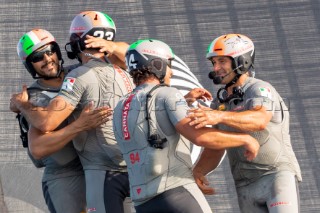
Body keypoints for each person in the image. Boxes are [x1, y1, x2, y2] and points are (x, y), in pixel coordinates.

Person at [112, 39, 260, 213]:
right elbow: (200, 136)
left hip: (142, 201)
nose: (172, 71)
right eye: (169, 64)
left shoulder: (121, 105)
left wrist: (183, 101)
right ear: (157, 64)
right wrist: (245, 139)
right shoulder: (167, 93)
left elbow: (150, 118)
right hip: (176, 193)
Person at [10, 11, 134, 213]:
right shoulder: (34, 97)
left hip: (99, 166)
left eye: (50, 51)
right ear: (29, 65)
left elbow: (130, 56)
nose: (47, 59)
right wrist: (78, 126)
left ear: (58, 50)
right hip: (65, 174)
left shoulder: (78, 71)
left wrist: (111, 46)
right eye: (38, 57)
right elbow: (38, 148)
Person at [188, 33, 302, 212]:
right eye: (214, 62)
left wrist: (219, 116)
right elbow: (216, 146)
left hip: (276, 176)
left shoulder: (260, 88)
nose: (216, 68)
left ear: (242, 60)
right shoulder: (220, 103)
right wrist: (198, 171)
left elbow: (260, 119)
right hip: (244, 185)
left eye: (222, 61)